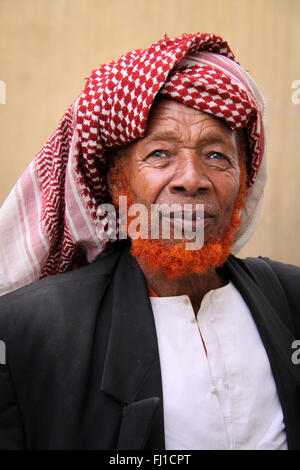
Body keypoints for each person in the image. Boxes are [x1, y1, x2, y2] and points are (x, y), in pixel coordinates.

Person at [0, 33, 299, 450]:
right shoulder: (28, 332)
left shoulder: (292, 300)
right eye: (160, 154)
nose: (192, 179)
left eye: (216, 155)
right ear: (117, 181)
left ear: (244, 181)